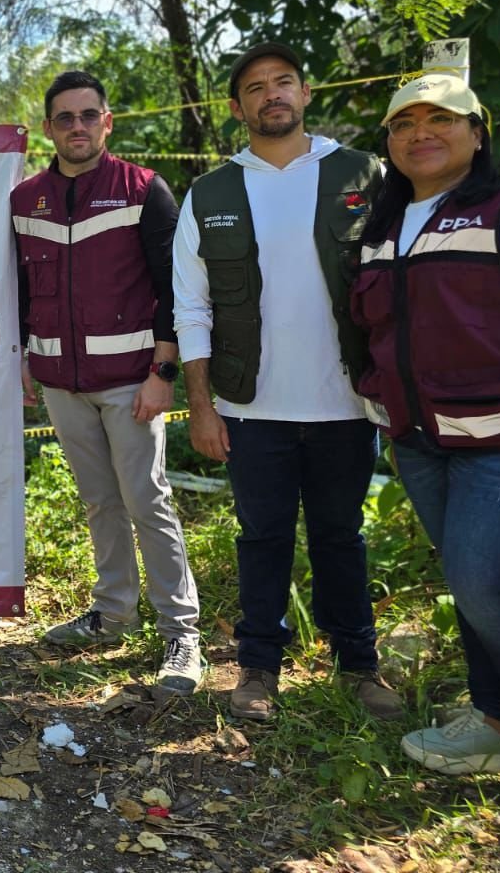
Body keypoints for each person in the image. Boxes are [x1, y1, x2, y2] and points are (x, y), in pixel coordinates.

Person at [350, 73, 500, 813]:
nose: (422, 132)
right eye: (404, 122)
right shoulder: (382, 227)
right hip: (422, 445)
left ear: (477, 132)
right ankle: (492, 722)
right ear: (388, 143)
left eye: (441, 118)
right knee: (469, 587)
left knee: (491, 588)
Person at [172, 42, 403, 722]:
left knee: (341, 536)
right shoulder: (211, 191)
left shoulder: (365, 173)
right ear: (237, 107)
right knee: (261, 537)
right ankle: (257, 669)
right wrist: (202, 406)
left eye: (284, 83)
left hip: (349, 405)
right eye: (254, 88)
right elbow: (191, 305)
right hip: (251, 407)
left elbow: (402, 285)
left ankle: (360, 667)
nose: (271, 95)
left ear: (304, 94)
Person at [13, 70, 204, 693]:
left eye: (87, 115)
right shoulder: (25, 200)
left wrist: (163, 371)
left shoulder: (143, 190)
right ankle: (112, 614)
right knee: (99, 502)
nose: (77, 127)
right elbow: (17, 288)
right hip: (61, 385)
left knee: (147, 500)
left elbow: (176, 286)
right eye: (64, 118)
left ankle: (181, 635)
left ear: (107, 122)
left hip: (132, 383)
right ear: (49, 129)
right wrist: (22, 357)